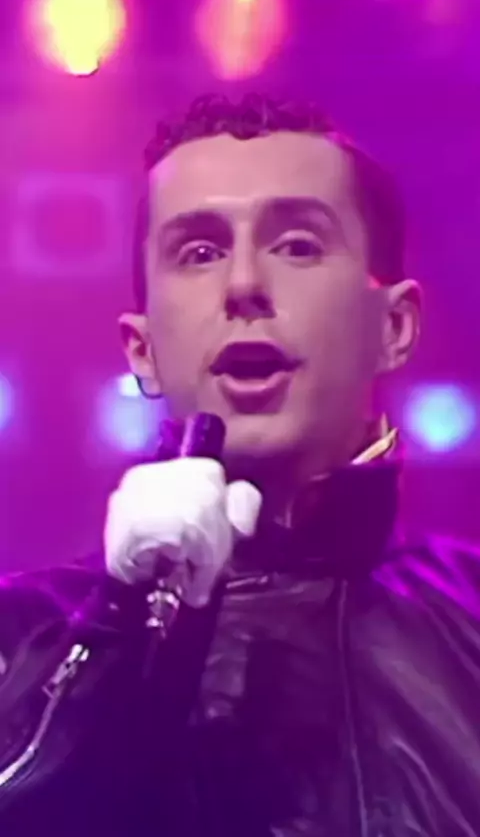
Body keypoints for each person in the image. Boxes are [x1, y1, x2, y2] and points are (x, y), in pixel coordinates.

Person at [1, 93, 479, 837]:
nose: (244, 284)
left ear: (394, 326)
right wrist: (119, 633)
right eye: (199, 252)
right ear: (142, 350)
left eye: (297, 246)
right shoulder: (25, 635)